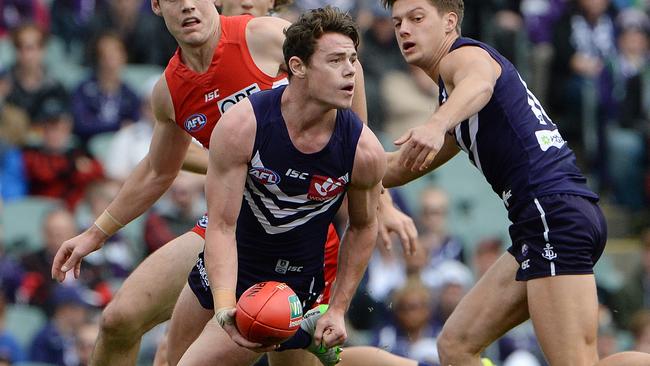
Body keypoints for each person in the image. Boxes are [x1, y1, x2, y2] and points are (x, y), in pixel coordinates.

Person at [51, 1, 415, 366]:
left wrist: (374, 188)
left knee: (293, 359)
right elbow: (158, 171)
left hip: (294, 237)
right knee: (122, 322)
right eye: (176, 0)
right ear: (157, 6)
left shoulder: (261, 37)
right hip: (228, 223)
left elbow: (338, 60)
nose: (188, 6)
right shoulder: (171, 90)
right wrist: (94, 235)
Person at [381, 0, 650, 365]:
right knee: (456, 346)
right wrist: (331, 168)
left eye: (416, 18)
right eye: (397, 23)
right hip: (545, 221)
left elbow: (480, 83)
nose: (404, 30)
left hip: (553, 215)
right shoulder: (454, 103)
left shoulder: (463, 58)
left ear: (449, 22)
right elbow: (396, 168)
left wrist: (435, 123)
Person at [170, 9, 384, 366]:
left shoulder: (364, 151)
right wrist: (225, 306)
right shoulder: (243, 124)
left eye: (352, 59)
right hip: (232, 261)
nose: (350, 71)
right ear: (297, 66)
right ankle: (307, 336)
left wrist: (340, 309)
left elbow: (363, 226)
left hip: (296, 280)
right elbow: (221, 225)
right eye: (335, 60)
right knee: (168, 357)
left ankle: (312, 327)